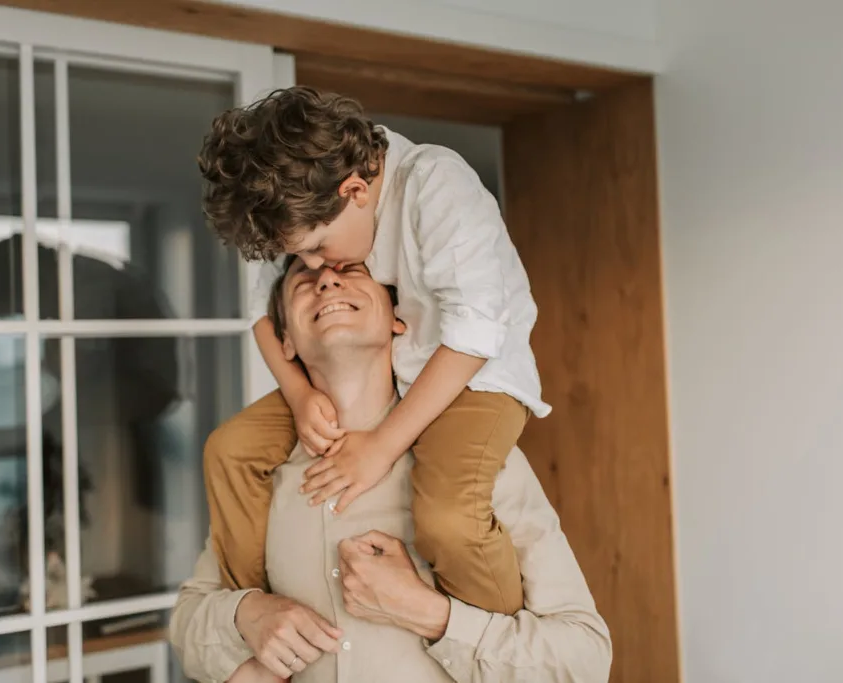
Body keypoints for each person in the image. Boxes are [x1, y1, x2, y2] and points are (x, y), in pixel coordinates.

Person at [169, 258, 610, 683]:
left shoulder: (474, 462)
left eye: (352, 270)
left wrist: (425, 611)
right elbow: (188, 621)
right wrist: (248, 615)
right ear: (285, 342)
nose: (326, 281)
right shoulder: (259, 477)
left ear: (398, 320)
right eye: (303, 278)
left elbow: (585, 658)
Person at [198, 87, 550, 616]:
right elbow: (259, 314)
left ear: (356, 190)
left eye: (316, 248)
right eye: (299, 258)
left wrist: (382, 445)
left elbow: (477, 334)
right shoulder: (301, 206)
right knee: (230, 451)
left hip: (475, 379)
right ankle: (262, 615)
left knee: (449, 517)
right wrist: (296, 393)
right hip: (387, 372)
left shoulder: (437, 186)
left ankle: (485, 644)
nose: (315, 268)